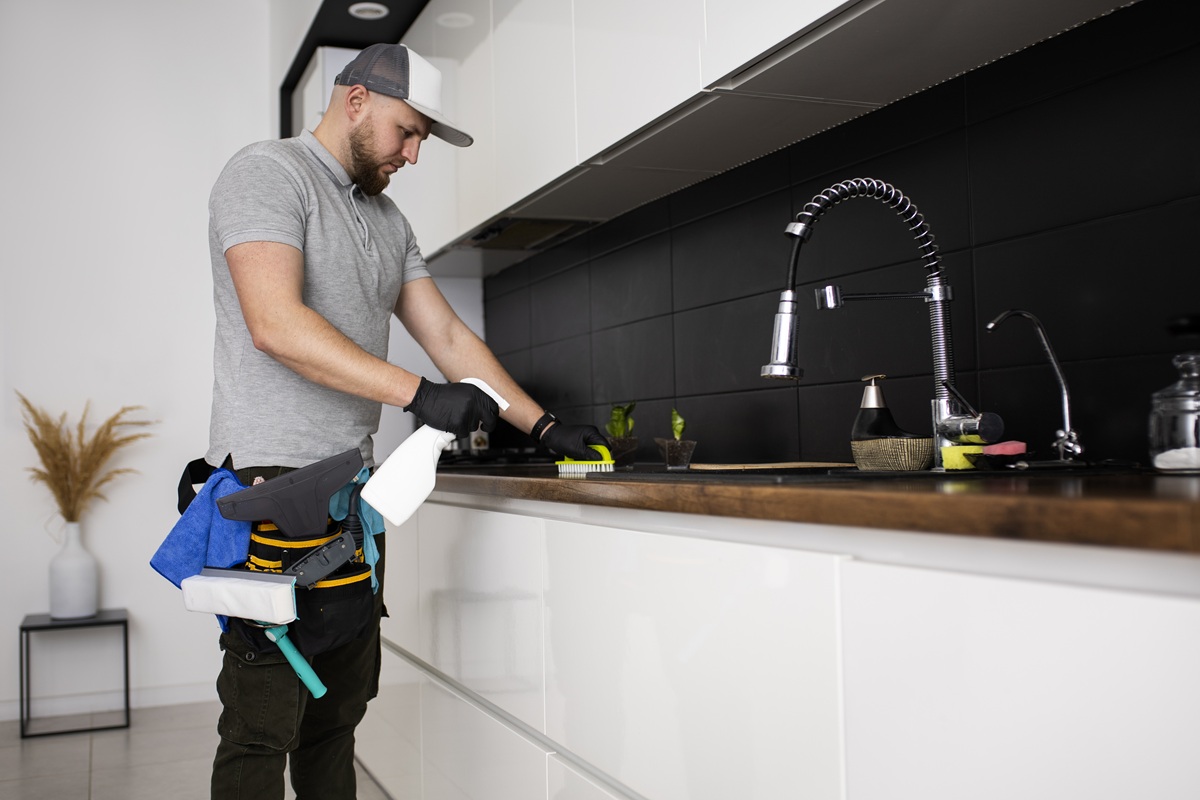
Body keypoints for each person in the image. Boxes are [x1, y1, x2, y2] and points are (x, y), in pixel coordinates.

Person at [204, 42, 605, 799]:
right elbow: (275, 324)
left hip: (351, 501)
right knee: (261, 728)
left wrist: (543, 426)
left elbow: (449, 338)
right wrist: (419, 396)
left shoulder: (389, 221)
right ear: (356, 101)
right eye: (408, 131)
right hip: (268, 495)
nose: (414, 154)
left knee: (336, 717)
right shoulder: (266, 174)